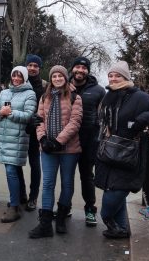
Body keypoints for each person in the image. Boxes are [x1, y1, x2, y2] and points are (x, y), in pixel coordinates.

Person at [96, 61, 149, 239]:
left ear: (126, 78)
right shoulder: (109, 96)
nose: (113, 79)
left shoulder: (139, 97)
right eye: (111, 75)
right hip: (108, 152)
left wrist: (143, 118)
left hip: (127, 154)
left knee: (113, 197)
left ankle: (110, 222)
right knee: (113, 191)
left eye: (118, 76)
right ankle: (121, 229)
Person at [29, 65, 83, 238]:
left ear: (65, 78)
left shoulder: (75, 97)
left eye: (60, 76)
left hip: (69, 149)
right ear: (51, 79)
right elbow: (39, 120)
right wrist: (43, 139)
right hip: (47, 149)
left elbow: (75, 122)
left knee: (67, 184)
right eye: (54, 76)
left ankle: (60, 217)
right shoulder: (44, 97)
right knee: (48, 184)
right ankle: (45, 224)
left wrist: (59, 141)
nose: (57, 79)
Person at [0, 66, 37, 223]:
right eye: (14, 76)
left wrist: (9, 113)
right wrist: (0, 113)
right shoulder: (4, 92)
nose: (16, 79)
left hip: (17, 138)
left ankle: (14, 206)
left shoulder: (30, 94)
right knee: (14, 169)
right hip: (3, 138)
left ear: (24, 78)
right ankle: (19, 198)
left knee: (11, 170)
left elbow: (28, 116)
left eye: (19, 76)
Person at [68, 56, 106, 226]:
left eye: (84, 68)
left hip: (89, 141)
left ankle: (90, 209)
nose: (80, 70)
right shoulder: (64, 87)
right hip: (67, 139)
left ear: (88, 71)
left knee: (86, 177)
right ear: (72, 69)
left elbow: (104, 116)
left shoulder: (98, 91)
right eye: (77, 67)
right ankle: (64, 206)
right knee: (66, 176)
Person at [18, 54, 47, 211]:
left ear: (39, 68)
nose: (32, 68)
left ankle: (33, 197)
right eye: (30, 65)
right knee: (17, 163)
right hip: (21, 127)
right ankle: (21, 193)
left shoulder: (45, 85)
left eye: (36, 66)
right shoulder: (19, 82)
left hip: (36, 130)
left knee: (35, 164)